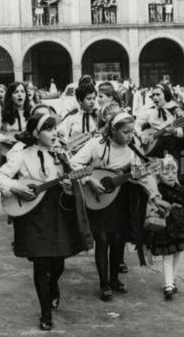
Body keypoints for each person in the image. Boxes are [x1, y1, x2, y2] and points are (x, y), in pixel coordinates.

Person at [0, 114, 89, 330]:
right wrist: (16, 187)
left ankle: (53, 285)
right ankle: (45, 313)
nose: (55, 133)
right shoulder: (22, 155)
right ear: (35, 133)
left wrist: (71, 186)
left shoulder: (61, 155)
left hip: (58, 213)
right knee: (41, 263)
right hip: (33, 214)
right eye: (49, 129)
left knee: (58, 262)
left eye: (55, 129)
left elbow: (72, 183)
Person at [70, 112, 166, 301]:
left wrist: (154, 195)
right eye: (125, 132)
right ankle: (104, 284)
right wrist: (89, 179)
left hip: (120, 197)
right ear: (113, 130)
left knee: (117, 240)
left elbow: (143, 174)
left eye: (132, 131)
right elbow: (73, 163)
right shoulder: (97, 144)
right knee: (102, 239)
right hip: (98, 198)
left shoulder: (132, 148)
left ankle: (114, 279)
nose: (130, 136)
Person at [146, 155, 184, 300]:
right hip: (166, 227)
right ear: (158, 175)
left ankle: (172, 280)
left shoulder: (180, 188)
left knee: (177, 253)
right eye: (165, 173)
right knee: (168, 255)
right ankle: (168, 284)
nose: (170, 176)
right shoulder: (158, 190)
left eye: (173, 172)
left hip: (182, 226)